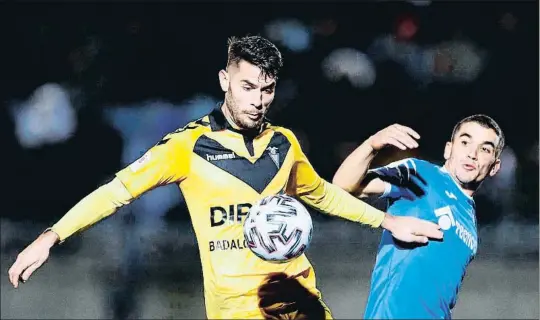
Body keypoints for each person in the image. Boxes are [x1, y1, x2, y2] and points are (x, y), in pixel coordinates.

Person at [8, 35, 442, 320]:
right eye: (247, 87)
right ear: (224, 81)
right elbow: (116, 192)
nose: (257, 100)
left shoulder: (283, 143)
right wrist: (52, 236)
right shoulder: (186, 146)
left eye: (266, 89)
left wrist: (387, 221)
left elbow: (323, 194)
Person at [332, 115, 505, 319]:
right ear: (448, 149)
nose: (472, 154)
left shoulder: (470, 219)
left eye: (484, 149)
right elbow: (341, 186)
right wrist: (372, 145)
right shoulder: (421, 174)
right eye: (465, 142)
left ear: (494, 167)